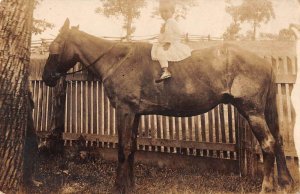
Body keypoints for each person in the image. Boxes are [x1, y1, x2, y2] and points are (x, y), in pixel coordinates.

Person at [151, 0, 192, 83]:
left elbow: (169, 34)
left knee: (160, 52)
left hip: (172, 44)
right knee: (157, 48)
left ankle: (165, 70)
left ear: (172, 12)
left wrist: (168, 43)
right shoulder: (167, 22)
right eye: (162, 12)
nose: (164, 14)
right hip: (170, 42)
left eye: (166, 11)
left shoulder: (170, 22)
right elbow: (164, 35)